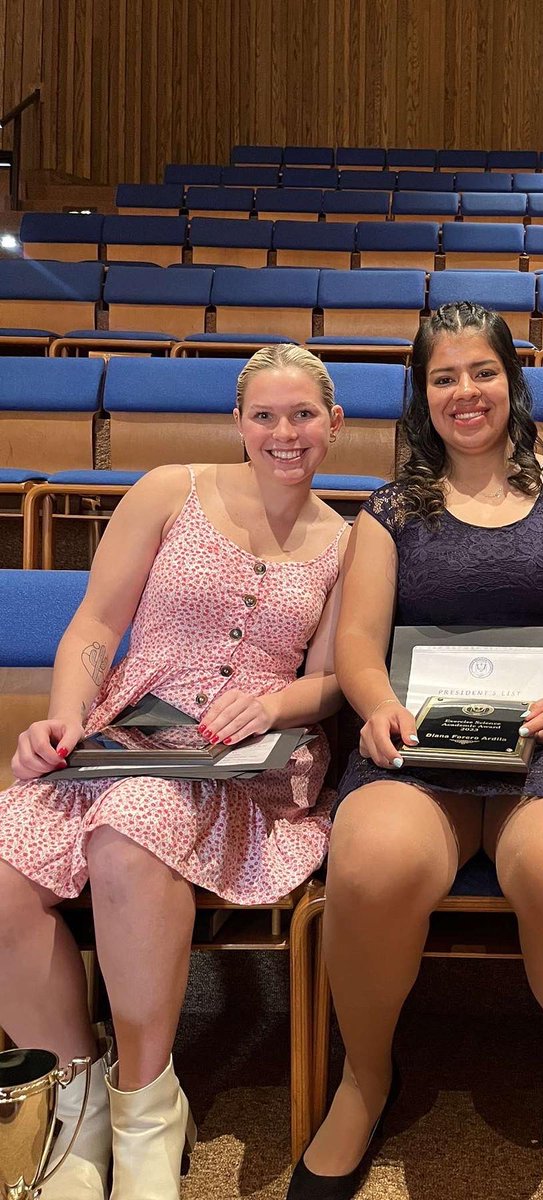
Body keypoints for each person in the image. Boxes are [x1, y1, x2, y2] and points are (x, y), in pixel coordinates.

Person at [288, 301, 543, 1200]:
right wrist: (371, 707)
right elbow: (361, 645)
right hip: (422, 747)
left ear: (512, 382)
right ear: (422, 394)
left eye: (481, 371)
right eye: (442, 376)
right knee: (369, 865)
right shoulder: (388, 511)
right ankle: (366, 1076)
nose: (465, 392)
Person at [0, 344, 348, 1200]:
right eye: (264, 415)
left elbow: (338, 678)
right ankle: (76, 1096)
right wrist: (68, 717)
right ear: (238, 424)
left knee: (132, 828)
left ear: (335, 424)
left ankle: (144, 1107)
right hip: (132, 725)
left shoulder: (349, 540)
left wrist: (273, 706)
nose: (283, 432)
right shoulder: (168, 490)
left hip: (249, 761)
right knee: (3, 868)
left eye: (302, 414)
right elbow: (95, 620)